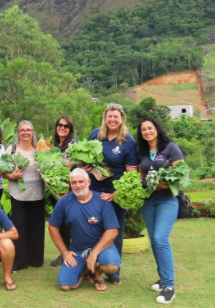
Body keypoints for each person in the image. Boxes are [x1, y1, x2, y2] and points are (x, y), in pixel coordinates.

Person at [85, 103, 138, 284]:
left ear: (122, 118)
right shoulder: (95, 135)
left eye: (116, 116)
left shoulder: (128, 142)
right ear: (105, 118)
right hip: (93, 190)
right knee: (91, 228)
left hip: (115, 194)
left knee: (115, 230)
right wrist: (85, 166)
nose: (112, 119)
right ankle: (89, 268)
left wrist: (116, 194)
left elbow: (131, 175)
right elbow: (85, 158)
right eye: (109, 116)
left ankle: (113, 271)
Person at [48, 168, 120, 292]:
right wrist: (64, 252)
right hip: (78, 250)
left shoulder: (102, 201)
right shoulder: (64, 202)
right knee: (65, 285)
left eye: (81, 182)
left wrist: (94, 253)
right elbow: (52, 227)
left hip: (102, 247)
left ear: (88, 182)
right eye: (74, 183)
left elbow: (113, 231)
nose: (78, 185)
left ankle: (97, 273)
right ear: (70, 184)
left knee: (111, 266)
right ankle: (85, 269)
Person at [137, 117, 184, 304]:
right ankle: (162, 277)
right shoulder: (142, 151)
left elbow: (181, 173)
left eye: (150, 128)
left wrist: (162, 184)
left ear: (157, 129)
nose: (147, 131)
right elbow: (141, 175)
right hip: (149, 202)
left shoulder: (170, 148)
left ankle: (169, 287)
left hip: (168, 201)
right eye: (143, 130)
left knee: (160, 239)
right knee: (153, 240)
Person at [4, 120, 44, 272]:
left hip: (37, 194)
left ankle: (35, 259)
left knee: (36, 227)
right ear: (18, 132)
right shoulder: (12, 149)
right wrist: (10, 175)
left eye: (28, 130)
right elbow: (2, 171)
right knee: (19, 226)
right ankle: (20, 260)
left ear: (32, 132)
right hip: (18, 194)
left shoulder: (39, 149)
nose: (25, 132)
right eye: (22, 130)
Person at [50, 116, 76, 267]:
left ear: (70, 129)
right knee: (60, 223)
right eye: (59, 125)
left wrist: (49, 168)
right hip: (55, 189)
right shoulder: (54, 145)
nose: (62, 128)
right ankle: (63, 253)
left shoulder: (73, 144)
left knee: (69, 223)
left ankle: (68, 253)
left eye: (66, 126)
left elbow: (67, 167)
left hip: (69, 189)